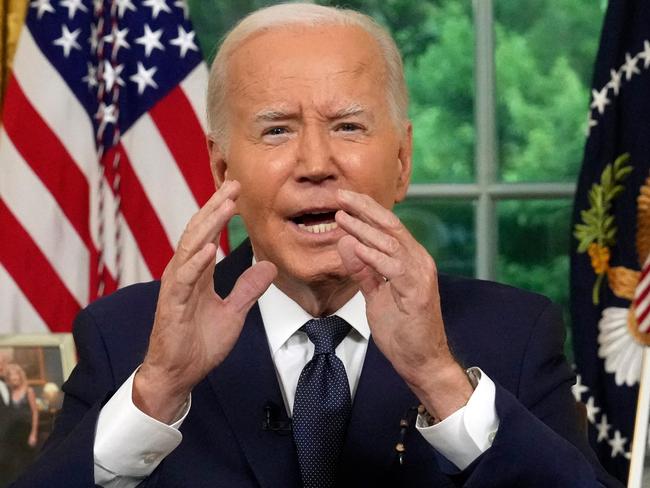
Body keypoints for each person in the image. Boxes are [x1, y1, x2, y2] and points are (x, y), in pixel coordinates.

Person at [13, 3, 620, 487]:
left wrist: (439, 377)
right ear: (222, 168)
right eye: (276, 129)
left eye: (348, 127)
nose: (315, 163)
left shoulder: (513, 333)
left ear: (402, 161)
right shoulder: (124, 339)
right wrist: (158, 392)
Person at [4, 363, 39, 486]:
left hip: (26, 430)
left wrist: (33, 434)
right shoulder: (8, 393)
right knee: (14, 462)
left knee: (27, 461)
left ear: (20, 377)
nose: (15, 380)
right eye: (12, 378)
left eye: (16, 377)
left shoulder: (28, 391)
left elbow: (35, 413)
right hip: (13, 431)